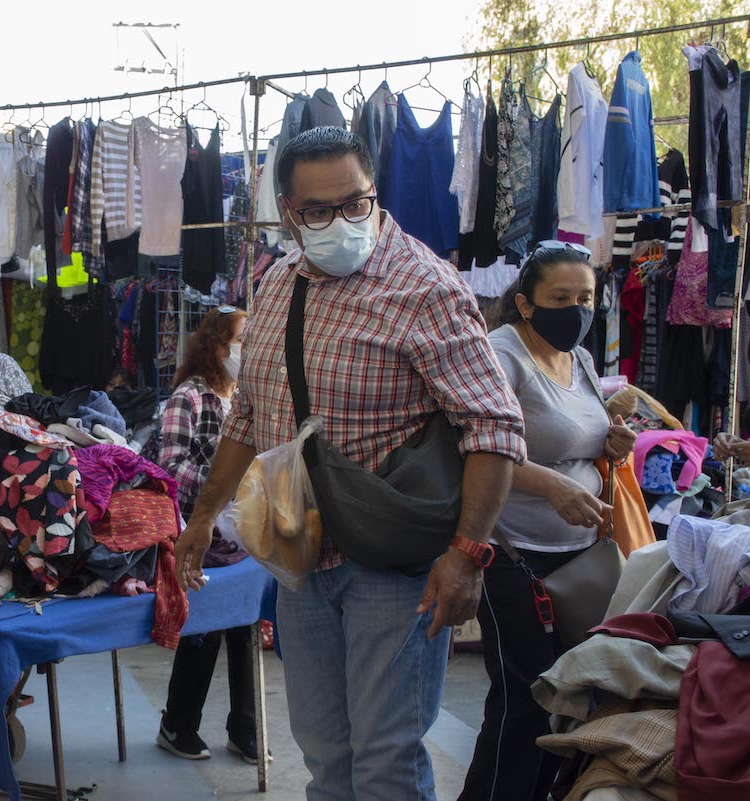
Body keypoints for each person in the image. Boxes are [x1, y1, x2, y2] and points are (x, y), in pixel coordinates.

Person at [173, 126, 527, 801]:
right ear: (286, 212)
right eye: (317, 211)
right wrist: (203, 515)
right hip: (301, 555)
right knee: (327, 757)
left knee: (386, 762)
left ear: (374, 192)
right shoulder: (275, 285)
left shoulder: (426, 286)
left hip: (393, 566)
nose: (340, 222)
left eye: (354, 203)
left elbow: (493, 426)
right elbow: (247, 416)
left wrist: (465, 554)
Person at [458, 243, 637, 801]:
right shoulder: (500, 354)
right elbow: (470, 446)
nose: (577, 309)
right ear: (526, 303)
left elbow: (578, 441)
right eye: (560, 298)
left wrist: (614, 445)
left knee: (567, 699)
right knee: (525, 696)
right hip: (512, 555)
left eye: (585, 297)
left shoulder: (580, 359)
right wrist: (551, 483)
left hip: (580, 557)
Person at [156, 305, 263, 764]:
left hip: (247, 532)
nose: (246, 350)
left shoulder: (248, 395)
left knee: (247, 627)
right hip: (200, 531)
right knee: (205, 628)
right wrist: (225, 482)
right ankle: (177, 724)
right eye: (240, 341)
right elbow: (168, 468)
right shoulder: (191, 398)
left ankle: (246, 729)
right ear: (218, 346)